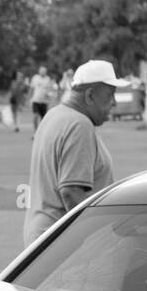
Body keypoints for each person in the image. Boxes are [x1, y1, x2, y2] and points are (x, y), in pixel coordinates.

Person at [23, 59, 127, 245]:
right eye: (110, 95)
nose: (114, 103)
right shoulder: (80, 125)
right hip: (61, 243)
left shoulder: (54, 115)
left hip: (43, 236)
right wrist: (94, 241)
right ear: (90, 96)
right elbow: (71, 192)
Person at [29, 66, 58, 132]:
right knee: (35, 116)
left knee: (43, 119)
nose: (42, 72)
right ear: (39, 71)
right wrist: (30, 98)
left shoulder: (48, 79)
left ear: (46, 72)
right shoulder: (35, 78)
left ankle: (41, 132)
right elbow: (31, 88)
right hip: (36, 100)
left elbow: (50, 90)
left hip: (44, 101)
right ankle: (35, 131)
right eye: (41, 71)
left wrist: (50, 96)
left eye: (44, 71)